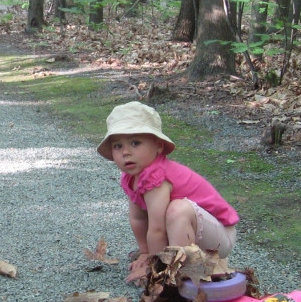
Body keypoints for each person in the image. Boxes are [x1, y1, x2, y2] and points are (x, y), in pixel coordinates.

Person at [97, 101, 238, 285]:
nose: (125, 152)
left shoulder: (157, 176)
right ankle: (173, 263)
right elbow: (138, 219)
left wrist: (153, 266)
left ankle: (174, 273)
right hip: (192, 233)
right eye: (117, 146)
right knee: (172, 213)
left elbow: (157, 229)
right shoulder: (131, 177)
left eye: (135, 143)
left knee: (177, 210)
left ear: (158, 146)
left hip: (219, 237)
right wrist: (145, 252)